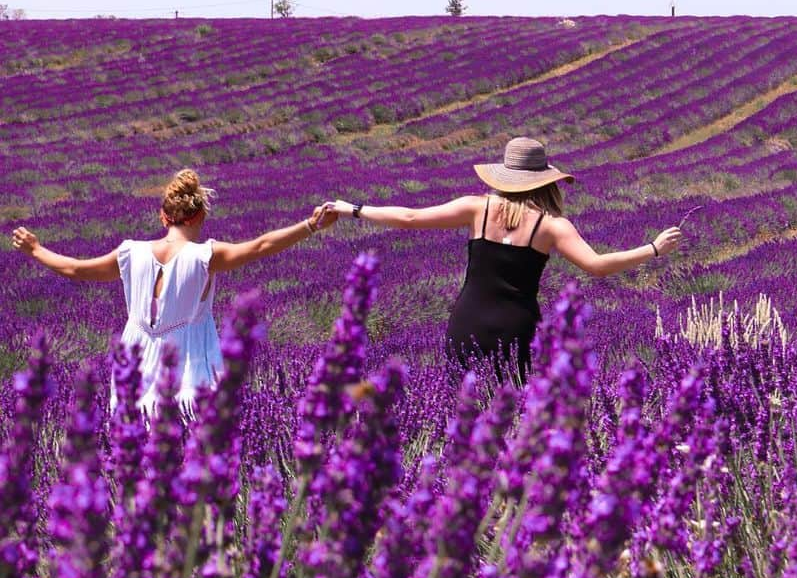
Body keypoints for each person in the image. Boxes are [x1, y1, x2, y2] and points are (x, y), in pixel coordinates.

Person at [332, 136, 682, 381]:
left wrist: (354, 209)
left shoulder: (476, 208)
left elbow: (409, 218)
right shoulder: (552, 226)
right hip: (517, 328)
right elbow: (598, 266)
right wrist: (652, 249)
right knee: (513, 414)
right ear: (546, 180)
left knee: (465, 412)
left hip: (466, 322)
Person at [11, 168, 336, 416]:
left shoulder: (129, 252)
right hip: (188, 361)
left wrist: (36, 249)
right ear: (200, 215)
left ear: (163, 216)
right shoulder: (207, 256)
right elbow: (261, 245)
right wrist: (309, 226)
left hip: (134, 361)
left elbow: (75, 269)